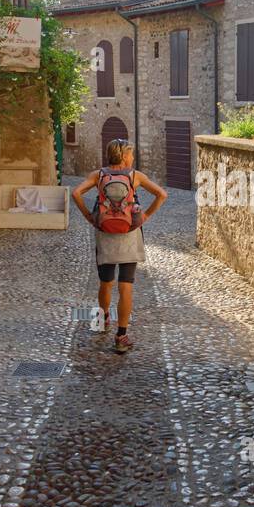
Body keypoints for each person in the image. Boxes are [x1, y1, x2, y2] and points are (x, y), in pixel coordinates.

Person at [72, 143, 167, 354]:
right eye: (131, 154)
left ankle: (104, 318)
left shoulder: (98, 175)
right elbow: (162, 195)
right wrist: (145, 216)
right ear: (124, 156)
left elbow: (76, 192)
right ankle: (121, 336)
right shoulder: (136, 176)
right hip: (129, 234)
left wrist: (89, 216)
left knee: (106, 283)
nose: (133, 157)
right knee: (126, 287)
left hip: (105, 234)